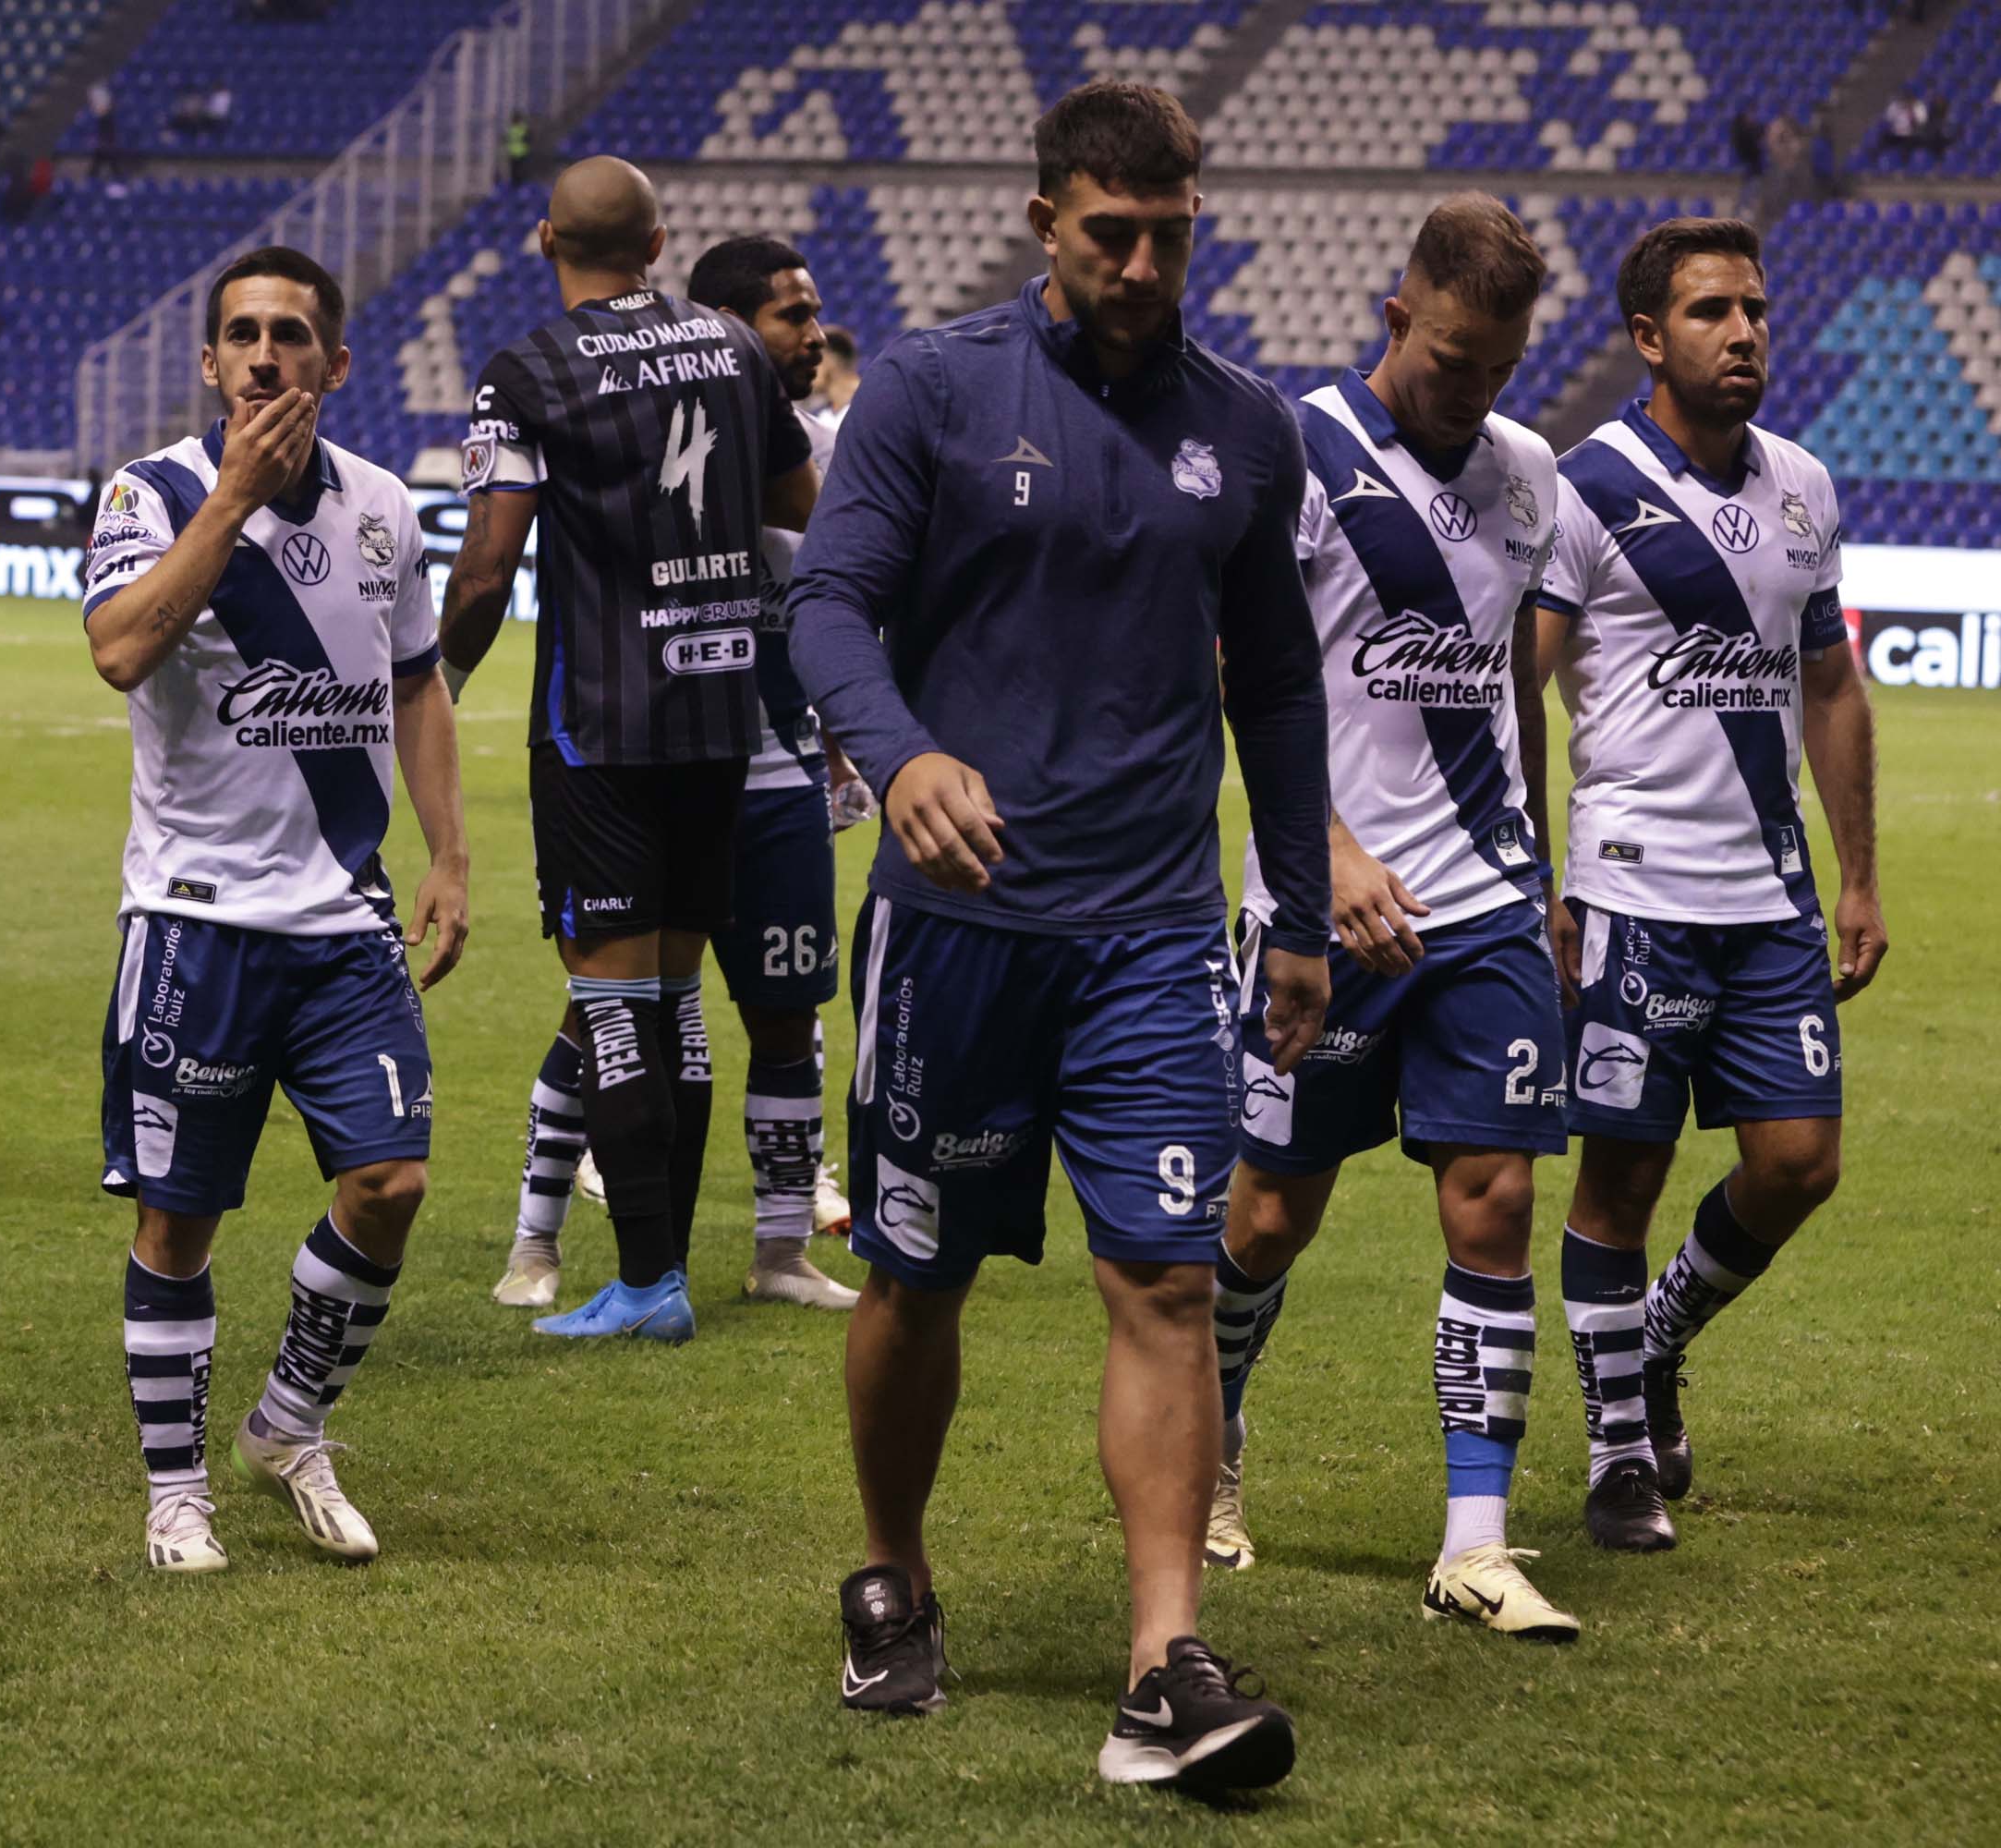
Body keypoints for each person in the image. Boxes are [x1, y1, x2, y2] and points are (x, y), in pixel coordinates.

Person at [789, 79, 1325, 1790]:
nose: (1145, 262)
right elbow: (824, 605)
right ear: (1045, 223)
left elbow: (1286, 685)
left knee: (1167, 1278)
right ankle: (893, 1564)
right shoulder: (934, 393)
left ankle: (1164, 1663)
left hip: (1156, 937)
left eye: (1172, 232)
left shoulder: (1249, 427)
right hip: (957, 931)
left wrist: (1297, 906)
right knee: (917, 1272)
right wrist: (905, 748)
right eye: (1113, 232)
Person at [1200, 194, 1600, 1635]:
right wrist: (1328, 853)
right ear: (1394, 318)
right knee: (1267, 1216)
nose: (1473, 387)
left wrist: (1544, 874)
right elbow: (1235, 681)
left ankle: (1475, 1545)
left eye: (1498, 365)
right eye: (1449, 357)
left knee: (1497, 1199)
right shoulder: (1291, 450)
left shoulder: (1529, 472)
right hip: (1320, 908)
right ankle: (1217, 1447)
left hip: (1482, 904)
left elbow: (1511, 690)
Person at [80, 246, 467, 1571]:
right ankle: (174, 1488)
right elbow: (122, 649)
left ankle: (289, 1423)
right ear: (208, 362)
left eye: (289, 336)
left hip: (344, 922)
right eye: (240, 335)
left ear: (333, 363)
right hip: (194, 919)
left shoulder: (385, 508)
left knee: (393, 1179)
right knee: (180, 1220)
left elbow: (419, 683)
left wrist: (450, 855)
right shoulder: (153, 492)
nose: (262, 356)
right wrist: (233, 503)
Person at [1537, 216, 1885, 1529]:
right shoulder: (1581, 489)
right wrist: (1536, 876)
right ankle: (1619, 1450)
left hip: (1772, 898)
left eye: (1754, 309)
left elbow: (1831, 684)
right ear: (1646, 339)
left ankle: (1661, 1332)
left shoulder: (1804, 485)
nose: (1742, 334)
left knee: (1799, 1163)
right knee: (1619, 1177)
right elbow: (1520, 681)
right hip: (1632, 895)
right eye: (1708, 313)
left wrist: (1856, 875)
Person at [439, 155, 819, 1343]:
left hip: (602, 725)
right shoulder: (732, 346)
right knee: (679, 1005)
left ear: (547, 238)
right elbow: (800, 502)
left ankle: (650, 1281)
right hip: (722, 719)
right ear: (658, 241)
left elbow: (492, 560)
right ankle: (663, 1272)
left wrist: (440, 683)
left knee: (613, 1011)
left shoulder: (528, 372)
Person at [812, 323, 860, 424]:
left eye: (812, 360)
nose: (807, 367)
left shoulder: (870, 404)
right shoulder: (824, 416)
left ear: (829, 360)